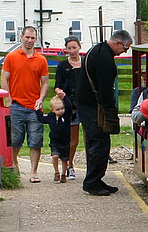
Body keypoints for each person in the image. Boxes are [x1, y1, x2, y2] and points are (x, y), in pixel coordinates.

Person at [77, 29, 132, 196]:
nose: (125, 51)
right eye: (125, 48)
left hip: (86, 103)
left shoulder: (97, 49)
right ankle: (92, 182)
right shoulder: (105, 59)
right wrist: (110, 111)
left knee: (98, 143)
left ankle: (96, 179)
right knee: (99, 144)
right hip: (93, 106)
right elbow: (105, 88)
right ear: (117, 43)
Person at [1, 25, 49, 183]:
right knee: (15, 139)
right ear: (21, 37)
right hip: (16, 105)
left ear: (36, 40)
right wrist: (8, 98)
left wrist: (41, 98)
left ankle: (33, 172)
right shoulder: (11, 57)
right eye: (27, 37)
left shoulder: (41, 59)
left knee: (36, 140)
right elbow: (4, 78)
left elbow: (45, 82)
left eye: (32, 38)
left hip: (34, 107)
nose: (29, 40)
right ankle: (14, 165)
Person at [53, 36, 83, 179]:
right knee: (71, 138)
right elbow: (57, 85)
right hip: (70, 106)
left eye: (74, 48)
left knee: (84, 138)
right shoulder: (62, 66)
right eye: (69, 48)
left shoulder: (86, 64)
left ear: (79, 47)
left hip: (85, 103)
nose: (72, 51)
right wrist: (60, 92)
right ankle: (70, 165)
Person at [39, 96, 72, 182]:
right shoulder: (51, 117)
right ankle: (56, 172)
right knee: (55, 156)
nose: (61, 111)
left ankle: (63, 174)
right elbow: (41, 119)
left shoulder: (66, 116)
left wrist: (64, 97)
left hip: (65, 142)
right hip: (55, 142)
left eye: (62, 108)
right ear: (52, 110)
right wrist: (38, 110)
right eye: (58, 109)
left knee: (65, 159)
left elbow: (69, 106)